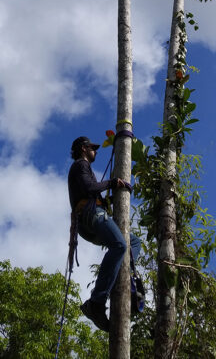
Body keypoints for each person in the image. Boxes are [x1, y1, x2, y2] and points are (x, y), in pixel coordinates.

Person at [68, 135, 142, 332]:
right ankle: (97, 302)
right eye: (92, 147)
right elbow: (89, 188)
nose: (95, 151)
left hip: (91, 218)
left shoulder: (85, 168)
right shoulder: (80, 165)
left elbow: (91, 191)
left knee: (134, 242)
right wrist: (113, 183)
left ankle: (119, 274)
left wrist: (108, 199)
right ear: (83, 149)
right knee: (119, 245)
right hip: (90, 215)